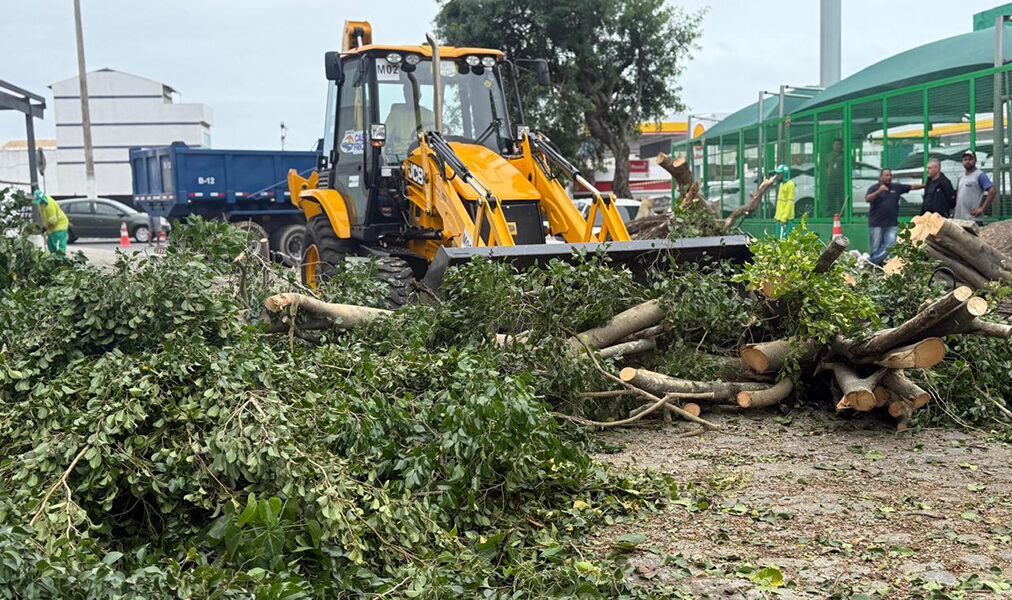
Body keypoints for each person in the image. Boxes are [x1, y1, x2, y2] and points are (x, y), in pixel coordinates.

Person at [864, 169, 923, 266]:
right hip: (876, 223)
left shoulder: (896, 187)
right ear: (881, 177)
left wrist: (924, 186)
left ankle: (872, 262)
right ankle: (876, 266)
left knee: (890, 244)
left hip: (891, 223)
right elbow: (867, 199)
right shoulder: (874, 188)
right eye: (886, 175)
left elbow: (911, 187)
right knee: (875, 248)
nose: (889, 177)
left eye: (890, 175)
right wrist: (879, 191)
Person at [384, 82, 435, 160]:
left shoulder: (429, 115)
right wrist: (382, 155)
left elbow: (436, 139)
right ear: (404, 95)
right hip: (399, 156)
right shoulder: (395, 114)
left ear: (420, 96)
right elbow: (384, 136)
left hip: (423, 155)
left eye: (414, 95)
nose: (411, 98)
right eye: (408, 95)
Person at [954, 150, 996, 224]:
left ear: (975, 160)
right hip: (960, 218)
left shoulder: (980, 175)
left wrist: (982, 208)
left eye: (970, 159)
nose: (967, 161)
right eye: (965, 159)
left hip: (973, 219)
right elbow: (958, 192)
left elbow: (992, 190)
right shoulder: (961, 176)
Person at [32, 189, 69, 257]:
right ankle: (54, 261)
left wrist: (45, 228)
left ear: (42, 198)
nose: (39, 203)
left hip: (60, 226)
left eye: (40, 201)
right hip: (51, 227)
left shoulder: (49, 205)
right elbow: (44, 217)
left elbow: (53, 221)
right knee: (51, 246)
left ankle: (60, 263)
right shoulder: (41, 204)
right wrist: (45, 227)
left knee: (58, 248)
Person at [824, 137, 845, 217]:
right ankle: (829, 215)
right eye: (835, 144)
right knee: (830, 199)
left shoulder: (844, 155)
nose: (837, 146)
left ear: (841, 146)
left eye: (839, 144)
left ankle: (843, 215)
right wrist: (828, 174)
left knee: (841, 199)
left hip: (841, 181)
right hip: (831, 181)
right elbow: (826, 166)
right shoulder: (829, 155)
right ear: (833, 145)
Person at [772, 165, 795, 239]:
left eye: (779, 174)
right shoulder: (781, 184)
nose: (777, 175)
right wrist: (776, 216)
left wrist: (784, 218)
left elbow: (789, 203)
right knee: (778, 239)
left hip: (786, 219)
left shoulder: (790, 184)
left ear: (784, 174)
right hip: (779, 219)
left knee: (784, 240)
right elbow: (779, 203)